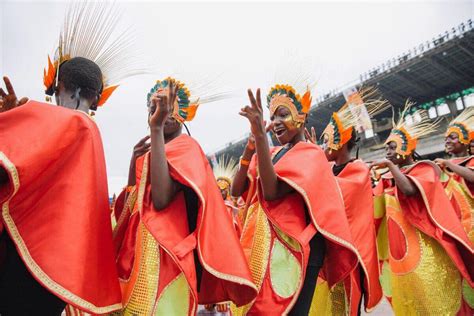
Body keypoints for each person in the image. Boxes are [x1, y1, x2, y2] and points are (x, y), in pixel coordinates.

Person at [0, 3, 144, 314]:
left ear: (58, 85)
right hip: (55, 263)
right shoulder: (89, 132)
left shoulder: (66, 125)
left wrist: (10, 124)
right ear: (98, 97)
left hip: (26, 254)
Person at [112, 77, 257, 315]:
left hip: (168, 261)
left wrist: (156, 129)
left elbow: (160, 201)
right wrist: (132, 164)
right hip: (138, 257)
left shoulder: (187, 148)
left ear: (182, 114)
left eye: (166, 107)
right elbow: (133, 205)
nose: (158, 112)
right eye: (153, 108)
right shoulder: (152, 153)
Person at [231, 83, 359, 315]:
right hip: (268, 248)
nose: (276, 121)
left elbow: (271, 192)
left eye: (283, 114)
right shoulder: (272, 154)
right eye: (272, 117)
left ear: (302, 117)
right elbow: (236, 189)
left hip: (299, 251)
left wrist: (261, 136)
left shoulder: (311, 153)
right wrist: (249, 150)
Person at [370, 103, 474, 315]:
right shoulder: (390, 178)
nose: (388, 152)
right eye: (386, 148)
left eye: (392, 147)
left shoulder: (424, 170)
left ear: (407, 148)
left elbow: (409, 189)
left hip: (433, 243)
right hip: (401, 252)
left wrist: (451, 166)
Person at [309, 88, 388, 315]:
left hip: (349, 258)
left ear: (340, 141)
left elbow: (334, 196)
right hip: (328, 254)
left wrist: (316, 163)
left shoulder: (358, 170)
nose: (323, 147)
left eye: (325, 142)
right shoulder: (331, 169)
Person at [435, 107, 474, 243]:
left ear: (465, 139)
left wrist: (449, 164)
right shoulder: (442, 166)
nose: (447, 141)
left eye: (452, 137)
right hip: (453, 224)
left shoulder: (472, 160)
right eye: (446, 139)